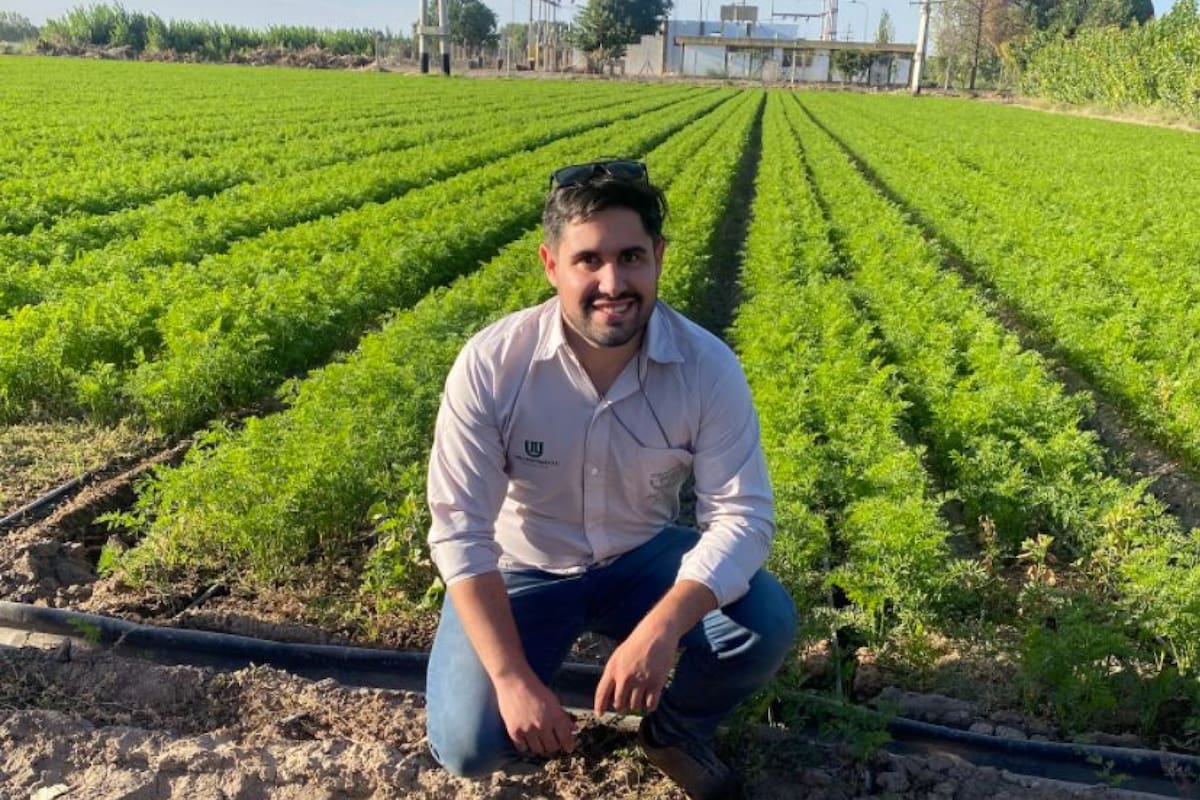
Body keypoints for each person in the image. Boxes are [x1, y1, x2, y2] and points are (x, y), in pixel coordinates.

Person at [424, 159, 797, 800]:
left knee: (762, 619)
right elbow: (460, 529)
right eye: (588, 260)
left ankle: (674, 730)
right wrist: (513, 682)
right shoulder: (494, 364)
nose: (611, 282)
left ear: (658, 256)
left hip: (640, 559)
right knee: (468, 744)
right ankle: (529, 710)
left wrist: (659, 632)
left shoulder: (706, 367)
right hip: (526, 567)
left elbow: (743, 516)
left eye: (630, 257)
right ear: (550, 265)